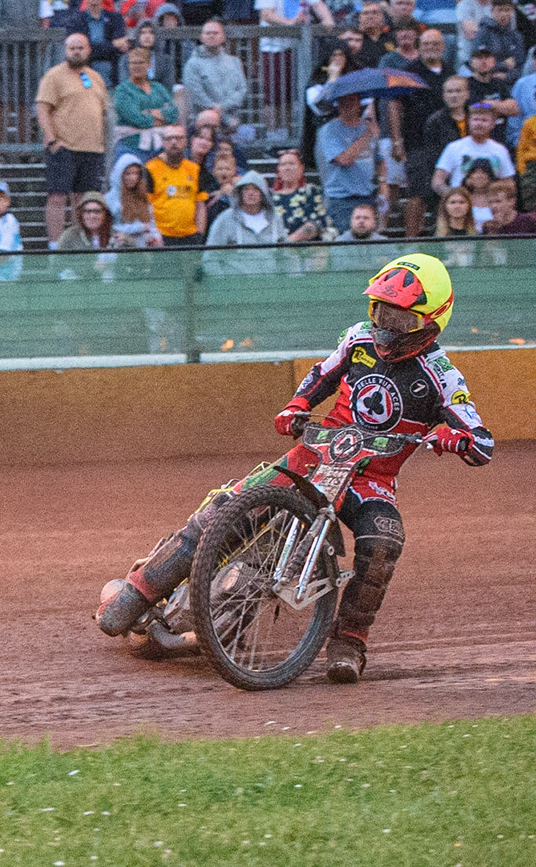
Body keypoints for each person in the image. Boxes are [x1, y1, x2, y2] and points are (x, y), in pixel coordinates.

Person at [98, 254, 491, 682]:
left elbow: (482, 441)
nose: (385, 328)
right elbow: (320, 375)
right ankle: (140, 590)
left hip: (370, 479)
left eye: (400, 321)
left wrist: (457, 439)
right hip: (314, 456)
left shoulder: (442, 375)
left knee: (383, 541)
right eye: (380, 313)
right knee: (230, 506)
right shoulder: (358, 341)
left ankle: (348, 644)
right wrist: (297, 405)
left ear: (431, 322)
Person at [36, 33, 111, 238]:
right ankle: (56, 245)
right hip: (64, 146)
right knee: (57, 198)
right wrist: (51, 139)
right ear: (65, 50)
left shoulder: (96, 77)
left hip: (92, 148)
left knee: (84, 201)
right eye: (72, 48)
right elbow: (43, 108)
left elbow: (103, 112)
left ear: (88, 50)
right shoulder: (54, 75)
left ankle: (80, 242)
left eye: (80, 48)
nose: (76, 52)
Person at [315, 93, 381, 234]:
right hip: (341, 198)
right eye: (342, 102)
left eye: (352, 101)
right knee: (345, 241)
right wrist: (368, 135)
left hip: (367, 195)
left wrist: (383, 185)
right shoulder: (329, 130)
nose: (347, 105)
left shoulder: (368, 126)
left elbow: (379, 158)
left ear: (359, 103)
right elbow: (343, 159)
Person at [431, 103, 513, 195]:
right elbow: (437, 181)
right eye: (475, 119)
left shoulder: (500, 150)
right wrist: (452, 196)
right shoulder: (454, 148)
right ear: (468, 122)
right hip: (463, 206)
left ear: (492, 124)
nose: (479, 124)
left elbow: (509, 183)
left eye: (484, 120)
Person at [145, 126, 206, 245]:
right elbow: (146, 206)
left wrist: (200, 234)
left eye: (178, 138)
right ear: (163, 142)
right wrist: (153, 235)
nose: (174, 142)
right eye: (169, 138)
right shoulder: (150, 169)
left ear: (185, 141)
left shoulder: (194, 169)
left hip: (190, 237)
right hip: (161, 237)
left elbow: (200, 204)